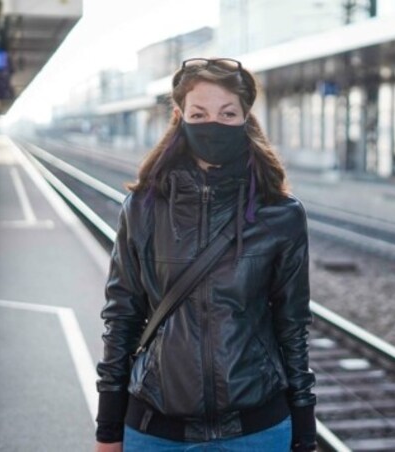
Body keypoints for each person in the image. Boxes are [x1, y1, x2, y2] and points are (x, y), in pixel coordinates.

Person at [94, 58, 316, 451]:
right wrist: (108, 428)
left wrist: (304, 430)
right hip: (156, 431)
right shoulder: (144, 207)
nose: (213, 123)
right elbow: (122, 316)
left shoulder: (280, 214)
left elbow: (292, 326)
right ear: (179, 117)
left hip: (258, 430)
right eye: (199, 113)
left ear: (246, 117)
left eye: (227, 113)